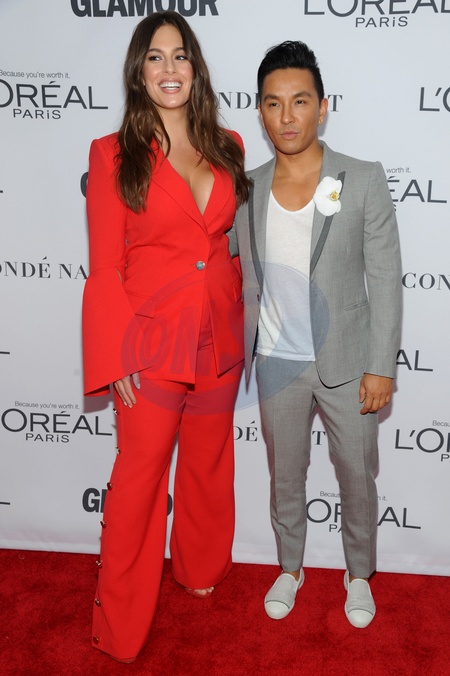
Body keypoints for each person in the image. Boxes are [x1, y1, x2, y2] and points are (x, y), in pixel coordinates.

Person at [82, 11, 249, 663]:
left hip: (218, 338)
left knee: (208, 461)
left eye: (181, 56)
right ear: (138, 71)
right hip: (149, 345)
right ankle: (119, 621)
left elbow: (227, 246)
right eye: (156, 57)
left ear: (195, 69)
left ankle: (199, 566)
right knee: (140, 479)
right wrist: (113, 352)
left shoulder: (229, 144)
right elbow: (105, 268)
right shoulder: (111, 154)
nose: (170, 68)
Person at [232, 41, 402, 628]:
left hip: (348, 363)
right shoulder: (245, 188)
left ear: (322, 107)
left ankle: (359, 576)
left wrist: (381, 365)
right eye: (273, 103)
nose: (287, 116)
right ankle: (290, 567)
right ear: (260, 111)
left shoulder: (363, 178)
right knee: (286, 476)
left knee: (356, 476)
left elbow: (385, 277)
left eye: (300, 101)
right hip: (277, 363)